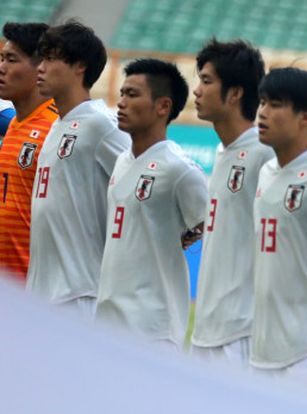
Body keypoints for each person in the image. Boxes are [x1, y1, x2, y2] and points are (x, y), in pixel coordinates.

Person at [94, 59, 207, 349]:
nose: (120, 103)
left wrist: (179, 240)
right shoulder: (121, 160)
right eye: (121, 93)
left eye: (132, 95)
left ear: (163, 106)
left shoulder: (179, 170)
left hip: (152, 327)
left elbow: (209, 224)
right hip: (107, 319)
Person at [26, 21, 129, 317]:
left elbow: (149, 176)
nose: (40, 68)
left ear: (79, 67)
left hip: (79, 294)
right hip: (44, 293)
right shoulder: (57, 125)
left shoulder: (102, 125)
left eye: (50, 58)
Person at [189, 39, 273, 368]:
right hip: (208, 327)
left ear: (235, 93)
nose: (197, 91)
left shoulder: (264, 155)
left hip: (242, 331)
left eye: (207, 81)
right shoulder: (225, 151)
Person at [249, 67, 307, 378]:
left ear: (305, 116)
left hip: (305, 351)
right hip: (259, 347)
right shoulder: (266, 171)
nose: (262, 113)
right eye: (262, 102)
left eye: (275, 104)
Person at [0, 22, 58, 282]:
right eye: (1, 58)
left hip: (36, 294)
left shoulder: (58, 130)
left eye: (11, 60)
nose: (1, 68)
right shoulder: (14, 124)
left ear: (41, 68)